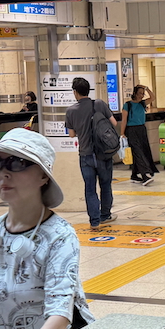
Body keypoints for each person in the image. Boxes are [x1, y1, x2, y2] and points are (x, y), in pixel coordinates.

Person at [0, 129, 94, 329]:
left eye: (17, 163)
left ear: (43, 176)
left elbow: (60, 315)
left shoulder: (60, 236)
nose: (4, 173)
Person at [64, 77, 117, 228]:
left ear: (75, 92)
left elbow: (72, 134)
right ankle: (105, 215)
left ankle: (94, 221)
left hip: (85, 155)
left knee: (90, 188)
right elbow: (114, 123)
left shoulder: (71, 111)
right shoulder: (99, 104)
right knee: (105, 185)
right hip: (103, 153)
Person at [122, 84, 157, 185]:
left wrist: (147, 88)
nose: (141, 96)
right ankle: (145, 174)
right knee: (137, 152)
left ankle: (134, 175)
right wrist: (122, 133)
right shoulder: (127, 105)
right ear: (135, 93)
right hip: (131, 130)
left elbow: (153, 97)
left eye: (143, 94)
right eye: (140, 93)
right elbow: (124, 120)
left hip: (141, 129)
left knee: (142, 151)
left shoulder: (142, 103)